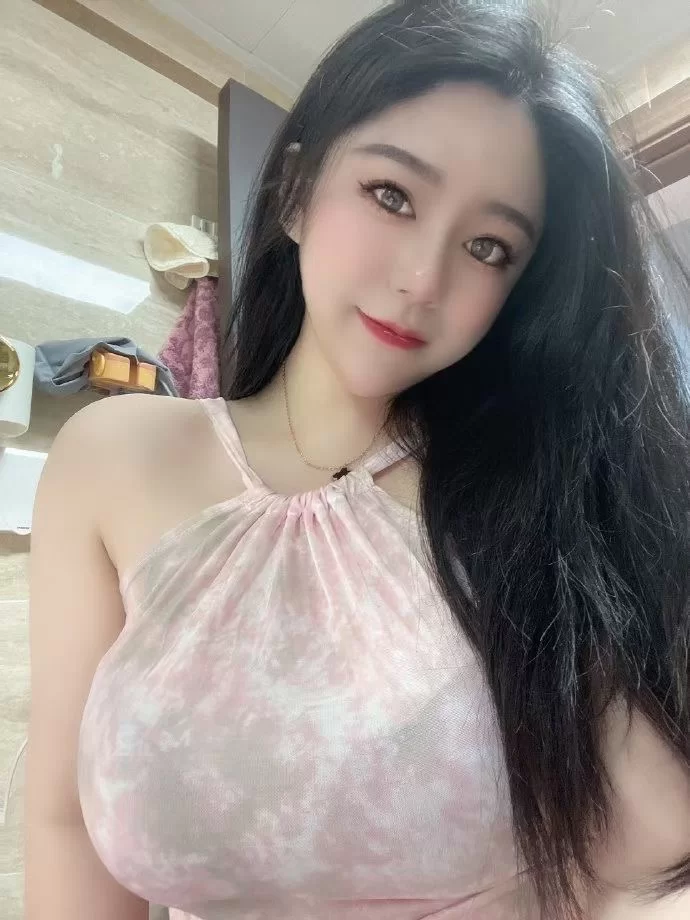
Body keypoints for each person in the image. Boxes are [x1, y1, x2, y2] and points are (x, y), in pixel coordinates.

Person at [25, 1, 690, 919]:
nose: (423, 278)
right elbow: (63, 820)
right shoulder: (115, 458)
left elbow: (654, 842)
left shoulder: (533, 509)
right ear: (296, 192)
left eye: (488, 247)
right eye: (392, 195)